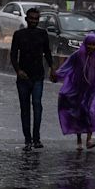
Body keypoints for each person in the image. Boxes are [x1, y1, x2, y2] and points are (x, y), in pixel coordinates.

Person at [53, 32, 95, 150]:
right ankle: (79, 139)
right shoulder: (77, 55)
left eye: (94, 44)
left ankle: (89, 139)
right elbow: (66, 67)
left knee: (90, 111)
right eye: (89, 44)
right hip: (78, 89)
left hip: (93, 90)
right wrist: (56, 76)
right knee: (78, 113)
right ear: (85, 44)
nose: (91, 47)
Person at [10, 8, 55, 152]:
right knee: (25, 109)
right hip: (23, 77)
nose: (34, 21)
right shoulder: (18, 35)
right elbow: (13, 55)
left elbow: (47, 52)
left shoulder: (43, 34)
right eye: (31, 18)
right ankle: (27, 140)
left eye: (36, 19)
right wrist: (18, 71)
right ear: (27, 19)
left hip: (38, 76)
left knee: (37, 106)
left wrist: (52, 67)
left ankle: (37, 138)